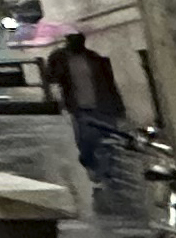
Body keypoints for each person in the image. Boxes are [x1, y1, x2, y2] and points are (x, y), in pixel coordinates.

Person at [44, 30, 132, 196]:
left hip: (103, 106)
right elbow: (51, 77)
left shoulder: (94, 58)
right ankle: (91, 166)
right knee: (85, 143)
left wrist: (119, 108)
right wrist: (55, 61)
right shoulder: (60, 59)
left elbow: (110, 83)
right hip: (80, 108)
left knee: (108, 141)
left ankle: (105, 173)